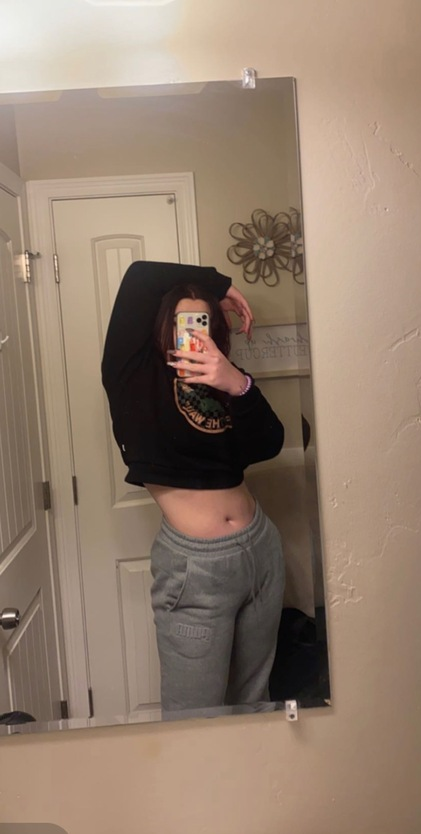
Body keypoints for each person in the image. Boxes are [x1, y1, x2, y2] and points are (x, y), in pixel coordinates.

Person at [101, 260, 285, 713]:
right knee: (194, 714)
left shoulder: (224, 378)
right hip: (196, 569)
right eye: (184, 322)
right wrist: (219, 285)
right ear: (162, 325)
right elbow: (139, 276)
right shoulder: (133, 377)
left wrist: (237, 384)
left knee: (254, 702)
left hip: (261, 549)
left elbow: (270, 443)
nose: (193, 333)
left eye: (203, 321)